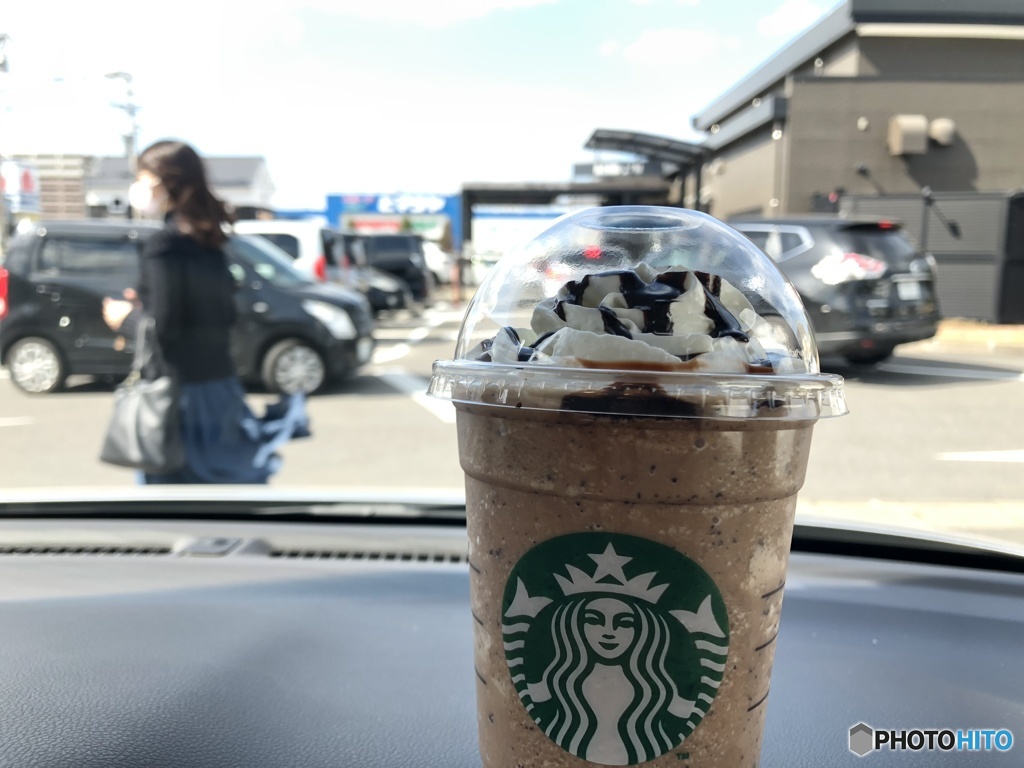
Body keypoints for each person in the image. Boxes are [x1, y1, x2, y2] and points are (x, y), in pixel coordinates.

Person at [103, 139, 309, 484]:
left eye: (142, 178)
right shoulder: (210, 242)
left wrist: (125, 317)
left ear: (162, 181)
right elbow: (222, 315)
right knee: (227, 496)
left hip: (178, 397)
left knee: (173, 506)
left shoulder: (165, 245)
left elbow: (166, 328)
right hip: (221, 387)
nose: (137, 188)